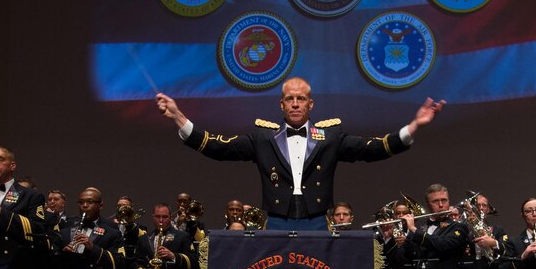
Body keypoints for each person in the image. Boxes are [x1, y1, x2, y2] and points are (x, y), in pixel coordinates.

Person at [156, 77, 446, 230]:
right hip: (276, 221)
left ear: (311, 104)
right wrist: (180, 118)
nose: (295, 104)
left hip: (318, 221)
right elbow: (220, 148)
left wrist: (413, 126)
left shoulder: (330, 136)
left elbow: (373, 149)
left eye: (301, 99)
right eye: (290, 99)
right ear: (281, 105)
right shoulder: (263, 136)